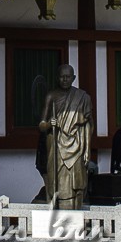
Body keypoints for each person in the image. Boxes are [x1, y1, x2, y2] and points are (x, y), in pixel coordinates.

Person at [38, 64, 93, 209]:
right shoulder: (52, 96)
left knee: (76, 180)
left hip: (76, 143)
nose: (64, 80)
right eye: (62, 77)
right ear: (58, 78)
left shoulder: (82, 97)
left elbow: (87, 124)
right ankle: (56, 207)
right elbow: (41, 125)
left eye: (68, 77)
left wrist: (87, 150)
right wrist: (49, 123)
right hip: (56, 142)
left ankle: (75, 208)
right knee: (56, 179)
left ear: (73, 78)